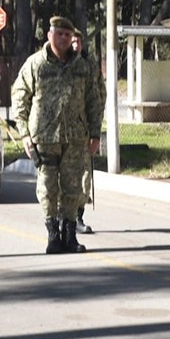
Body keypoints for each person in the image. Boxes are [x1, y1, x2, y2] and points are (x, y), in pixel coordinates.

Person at [11, 15, 104, 254]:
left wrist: (95, 134)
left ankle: (70, 235)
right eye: (59, 33)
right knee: (47, 186)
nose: (63, 38)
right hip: (44, 137)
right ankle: (53, 235)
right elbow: (19, 97)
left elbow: (94, 100)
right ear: (49, 35)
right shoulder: (36, 64)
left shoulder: (82, 67)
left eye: (67, 34)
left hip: (75, 137)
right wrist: (24, 135)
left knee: (73, 188)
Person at [71, 28, 102, 236]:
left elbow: (98, 97)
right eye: (72, 42)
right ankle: (61, 219)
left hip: (82, 132)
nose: (74, 45)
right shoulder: (54, 65)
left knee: (84, 177)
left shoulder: (89, 65)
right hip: (58, 135)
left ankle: (78, 217)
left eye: (77, 42)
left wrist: (95, 132)